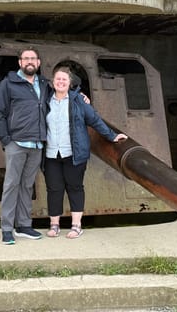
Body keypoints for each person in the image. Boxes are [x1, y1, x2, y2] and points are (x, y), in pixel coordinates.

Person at [43, 66, 128, 239]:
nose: (60, 82)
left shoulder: (78, 101)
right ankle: (54, 225)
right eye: (57, 79)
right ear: (52, 82)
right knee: (54, 189)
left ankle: (76, 226)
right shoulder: (45, 100)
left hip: (74, 153)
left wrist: (111, 136)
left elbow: (94, 120)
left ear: (70, 83)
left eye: (64, 80)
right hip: (51, 154)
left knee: (75, 188)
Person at [0, 47, 48, 245]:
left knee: (27, 185)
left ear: (38, 63)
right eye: (26, 58)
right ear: (20, 63)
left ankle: (24, 225)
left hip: (37, 144)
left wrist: (81, 95)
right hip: (17, 143)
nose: (30, 61)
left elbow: (64, 90)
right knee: (11, 184)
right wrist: (6, 140)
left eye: (33, 58)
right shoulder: (9, 84)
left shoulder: (43, 84)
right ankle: (7, 228)